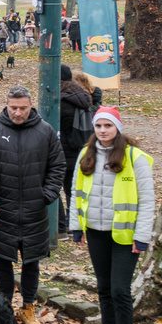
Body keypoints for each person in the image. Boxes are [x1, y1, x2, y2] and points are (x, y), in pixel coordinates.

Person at [0, 86, 66, 324]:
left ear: (30, 105)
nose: (17, 112)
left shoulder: (45, 131)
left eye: (22, 108)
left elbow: (58, 166)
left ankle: (28, 307)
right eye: (13, 108)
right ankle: (4, 307)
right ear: (6, 105)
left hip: (35, 211)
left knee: (31, 261)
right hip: (2, 209)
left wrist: (46, 195)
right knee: (3, 261)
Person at [69, 107, 155, 324]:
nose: (103, 131)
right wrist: (76, 226)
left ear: (117, 127)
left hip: (125, 236)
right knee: (104, 288)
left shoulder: (134, 158)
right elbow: (76, 192)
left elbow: (147, 201)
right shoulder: (86, 154)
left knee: (120, 290)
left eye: (108, 126)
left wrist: (141, 237)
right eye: (99, 126)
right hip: (96, 231)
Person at [59, 65, 94, 229]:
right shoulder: (81, 95)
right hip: (82, 146)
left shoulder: (62, 101)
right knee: (73, 189)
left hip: (65, 150)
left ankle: (65, 224)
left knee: (60, 187)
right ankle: (74, 221)